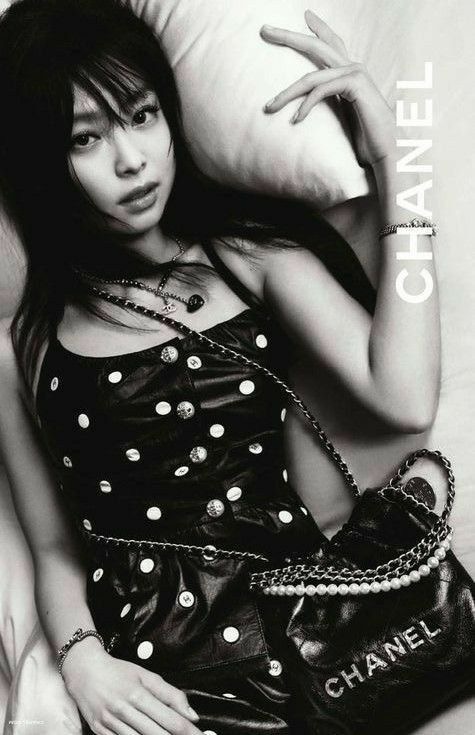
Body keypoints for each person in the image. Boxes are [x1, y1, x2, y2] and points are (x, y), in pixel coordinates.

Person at [0, 0, 441, 733]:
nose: (131, 160)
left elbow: (405, 395)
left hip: (310, 637)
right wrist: (82, 660)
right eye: (86, 137)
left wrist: (398, 161)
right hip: (156, 681)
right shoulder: (24, 341)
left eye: (142, 115)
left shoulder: (245, 256)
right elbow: (52, 545)